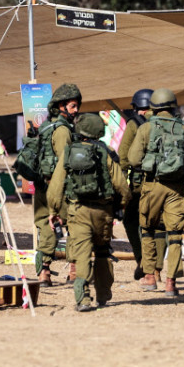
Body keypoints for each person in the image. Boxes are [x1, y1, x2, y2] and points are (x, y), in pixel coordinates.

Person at [48, 113, 131, 312]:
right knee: (102, 252)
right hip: (103, 212)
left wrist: (54, 210)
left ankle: (83, 299)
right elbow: (121, 185)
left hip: (78, 211)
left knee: (82, 255)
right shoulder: (106, 152)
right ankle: (103, 295)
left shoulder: (68, 153)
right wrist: (122, 205)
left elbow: (56, 186)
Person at [128, 88, 184, 297]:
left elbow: (133, 159)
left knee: (148, 229)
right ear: (172, 105)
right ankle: (171, 282)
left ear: (153, 106)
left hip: (152, 185)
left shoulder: (146, 128)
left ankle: (150, 276)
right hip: (177, 188)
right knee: (175, 235)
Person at [31, 83, 81, 286]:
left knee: (45, 227)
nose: (76, 110)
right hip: (59, 187)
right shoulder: (62, 131)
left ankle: (44, 273)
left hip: (42, 185)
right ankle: (74, 272)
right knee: (74, 226)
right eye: (73, 106)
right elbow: (64, 161)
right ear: (61, 106)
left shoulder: (44, 127)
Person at [118, 88, 166, 281]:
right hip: (166, 183)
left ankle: (144, 263)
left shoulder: (135, 124)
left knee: (132, 220)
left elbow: (123, 158)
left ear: (137, 107)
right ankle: (158, 269)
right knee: (160, 225)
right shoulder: (169, 122)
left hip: (140, 185)